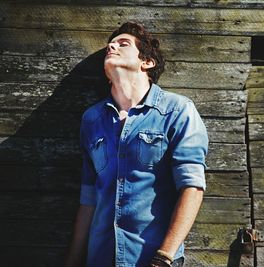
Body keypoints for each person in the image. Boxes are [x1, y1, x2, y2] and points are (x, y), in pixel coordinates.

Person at [65, 21, 208, 267]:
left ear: (147, 62)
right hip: (100, 258)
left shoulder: (177, 110)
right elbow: (88, 199)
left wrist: (165, 256)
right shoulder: (92, 119)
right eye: (111, 43)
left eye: (123, 43)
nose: (112, 46)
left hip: (152, 258)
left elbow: (192, 187)